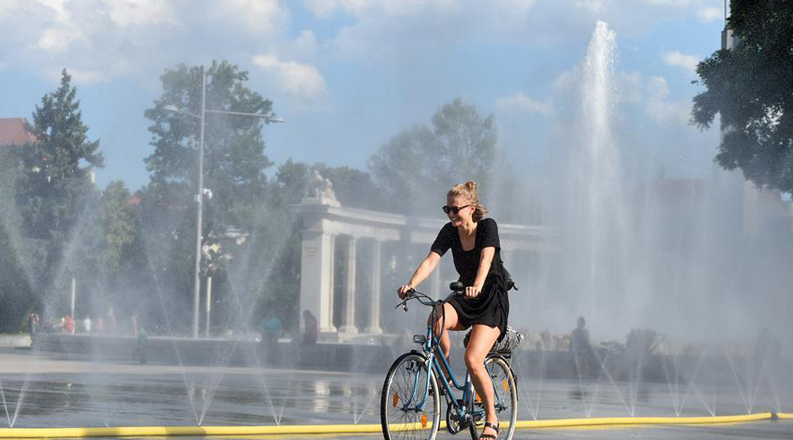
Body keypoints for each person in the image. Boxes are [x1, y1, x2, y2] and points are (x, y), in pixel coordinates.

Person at [397, 180, 509, 440]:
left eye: (455, 209)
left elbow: (486, 259)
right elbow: (431, 260)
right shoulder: (449, 231)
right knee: (435, 317)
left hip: (491, 298)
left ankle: (492, 419)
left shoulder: (487, 227)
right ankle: (442, 371)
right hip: (467, 296)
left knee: (472, 359)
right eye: (446, 209)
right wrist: (411, 285)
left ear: (471, 208)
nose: (450, 214)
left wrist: (478, 285)